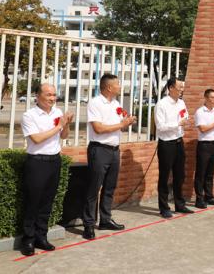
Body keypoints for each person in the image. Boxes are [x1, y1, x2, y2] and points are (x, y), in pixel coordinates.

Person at [20, 84, 73, 256]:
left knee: (47, 202)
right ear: (38, 95)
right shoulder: (29, 115)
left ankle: (41, 237)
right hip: (37, 162)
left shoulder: (57, 113)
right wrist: (59, 126)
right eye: (48, 94)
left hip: (54, 160)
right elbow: (36, 139)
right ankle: (28, 239)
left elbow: (64, 136)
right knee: (33, 201)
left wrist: (66, 125)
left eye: (54, 95)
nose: (52, 98)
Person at [82, 74, 136, 240]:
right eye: (117, 84)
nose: (120, 87)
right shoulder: (95, 102)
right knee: (94, 188)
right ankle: (88, 225)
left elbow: (120, 128)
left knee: (110, 187)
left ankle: (105, 219)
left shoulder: (116, 104)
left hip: (114, 150)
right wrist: (122, 124)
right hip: (99, 150)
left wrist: (127, 123)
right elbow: (98, 128)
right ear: (109, 87)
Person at [155, 77, 193, 218]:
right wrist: (177, 124)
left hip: (179, 142)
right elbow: (160, 126)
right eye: (179, 87)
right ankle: (164, 207)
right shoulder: (162, 104)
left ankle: (179, 204)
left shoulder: (181, 103)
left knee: (180, 175)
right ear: (171, 88)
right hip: (166, 143)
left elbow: (185, 116)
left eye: (183, 87)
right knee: (165, 176)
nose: (182, 90)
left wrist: (184, 122)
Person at [193, 88, 214, 209]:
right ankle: (199, 199)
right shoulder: (200, 112)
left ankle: (209, 196)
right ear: (206, 98)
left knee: (210, 173)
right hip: (204, 145)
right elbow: (202, 129)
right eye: (212, 97)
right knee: (201, 173)